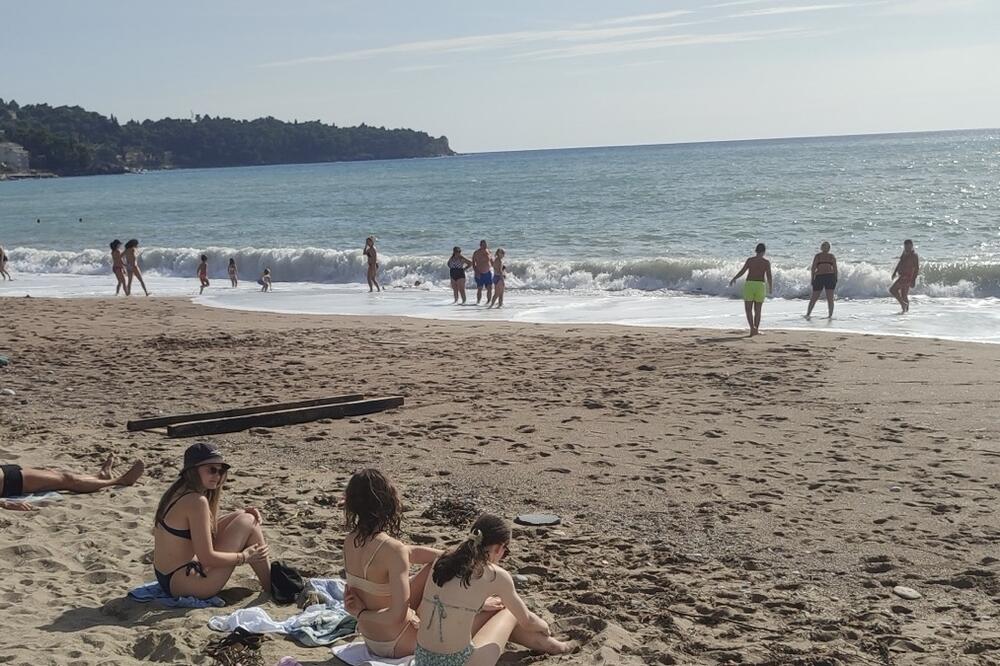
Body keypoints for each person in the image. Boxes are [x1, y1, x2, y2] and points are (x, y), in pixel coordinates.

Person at [412, 514, 572, 666]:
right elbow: (527, 621)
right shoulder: (495, 575)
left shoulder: (442, 560)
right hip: (460, 662)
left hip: (423, 659)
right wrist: (544, 627)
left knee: (493, 609)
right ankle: (557, 647)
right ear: (498, 547)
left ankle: (552, 645)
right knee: (508, 612)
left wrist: (480, 606)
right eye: (505, 551)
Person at [341, 469, 442, 659]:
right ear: (388, 504)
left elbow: (408, 551)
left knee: (437, 564)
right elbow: (398, 615)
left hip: (372, 639)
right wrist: (361, 613)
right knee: (503, 616)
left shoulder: (349, 541)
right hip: (401, 641)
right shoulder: (393, 550)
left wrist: (448, 555)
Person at [151, 442, 270, 599]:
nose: (217, 475)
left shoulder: (179, 491)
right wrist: (244, 557)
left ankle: (271, 585)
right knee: (248, 521)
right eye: (211, 470)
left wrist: (240, 513)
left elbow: (203, 531)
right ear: (193, 471)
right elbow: (207, 557)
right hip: (188, 584)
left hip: (170, 577)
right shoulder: (196, 500)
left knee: (244, 516)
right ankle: (272, 588)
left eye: (221, 471)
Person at [1, 454, 144, 511]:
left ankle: (101, 476)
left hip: (9, 473)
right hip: (12, 482)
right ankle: (120, 481)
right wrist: (5, 503)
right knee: (67, 480)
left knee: (58, 474)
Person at [729, 243, 773, 337]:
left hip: (749, 285)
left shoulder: (750, 260)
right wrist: (770, 287)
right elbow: (769, 276)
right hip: (760, 285)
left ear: (756, 250)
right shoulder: (766, 262)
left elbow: (743, 271)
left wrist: (734, 278)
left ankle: (752, 329)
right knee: (758, 310)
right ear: (764, 251)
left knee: (748, 309)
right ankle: (756, 329)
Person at [806, 241, 837, 319]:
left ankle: (830, 315)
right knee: (814, 297)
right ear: (821, 247)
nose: (825, 248)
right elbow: (813, 268)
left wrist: (835, 278)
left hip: (830, 277)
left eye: (827, 246)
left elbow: (835, 269)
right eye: (824, 246)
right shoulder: (818, 256)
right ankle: (808, 314)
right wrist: (812, 278)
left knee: (830, 298)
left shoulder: (831, 256)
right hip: (819, 277)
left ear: (829, 248)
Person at [890, 239, 919, 314]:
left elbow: (916, 268)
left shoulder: (914, 256)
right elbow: (900, 262)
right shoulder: (904, 253)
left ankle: (903, 304)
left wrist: (913, 280)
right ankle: (905, 312)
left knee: (892, 290)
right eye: (906, 247)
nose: (907, 249)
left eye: (909, 247)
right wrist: (894, 272)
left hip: (907, 277)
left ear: (912, 246)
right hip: (902, 275)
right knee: (904, 295)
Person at [471, 241, 493, 305]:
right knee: (480, 288)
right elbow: (473, 264)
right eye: (483, 245)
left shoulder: (489, 252)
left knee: (489, 288)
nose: (484, 246)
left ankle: (488, 302)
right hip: (479, 273)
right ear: (480, 245)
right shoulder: (476, 253)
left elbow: (492, 262)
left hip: (488, 273)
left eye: (485, 245)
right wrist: (476, 272)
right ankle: (478, 302)